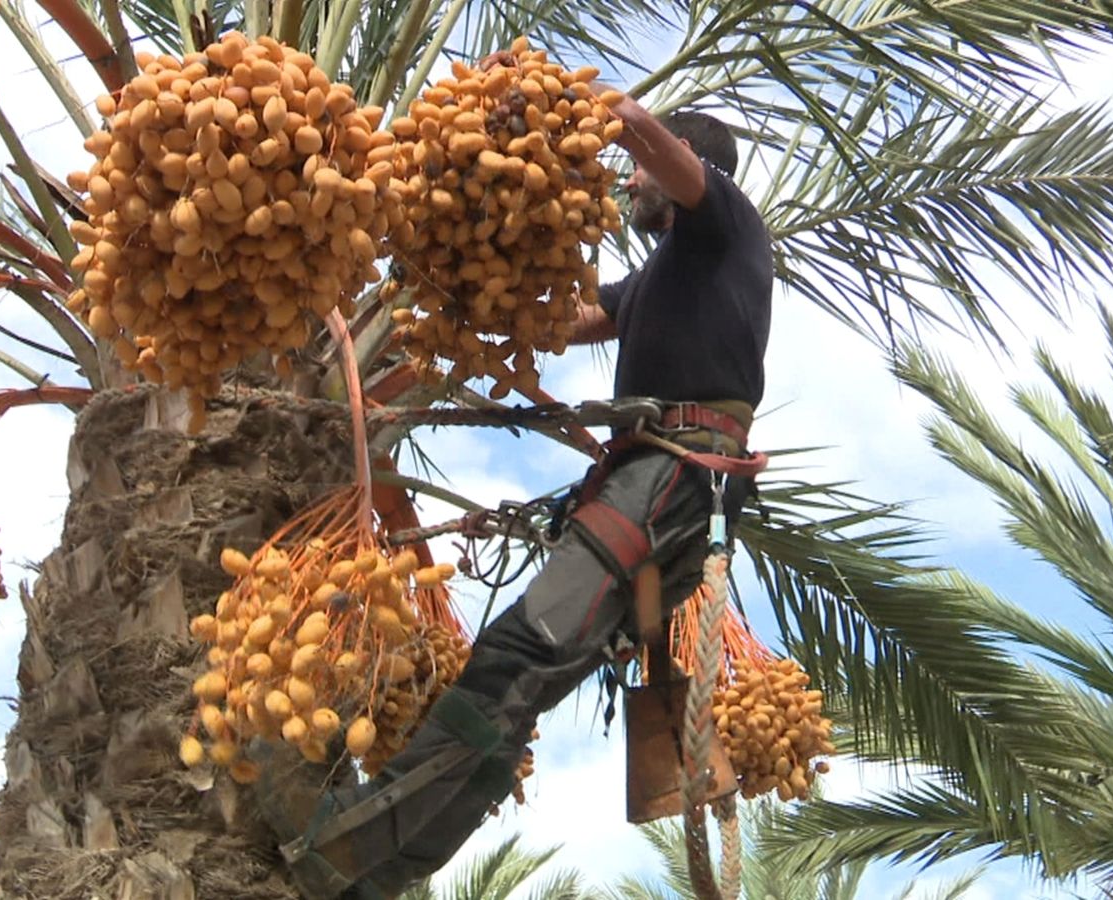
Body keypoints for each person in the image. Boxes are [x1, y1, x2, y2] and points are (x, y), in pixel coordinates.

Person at [257, 54, 775, 900]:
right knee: (516, 690)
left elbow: (657, 149)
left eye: (638, 173)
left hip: (673, 481)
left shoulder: (726, 221)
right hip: (659, 490)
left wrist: (588, 105)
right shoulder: (665, 275)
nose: (627, 185)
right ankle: (374, 873)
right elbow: (571, 321)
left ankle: (343, 844)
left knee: (512, 651)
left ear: (682, 161)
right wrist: (464, 298)